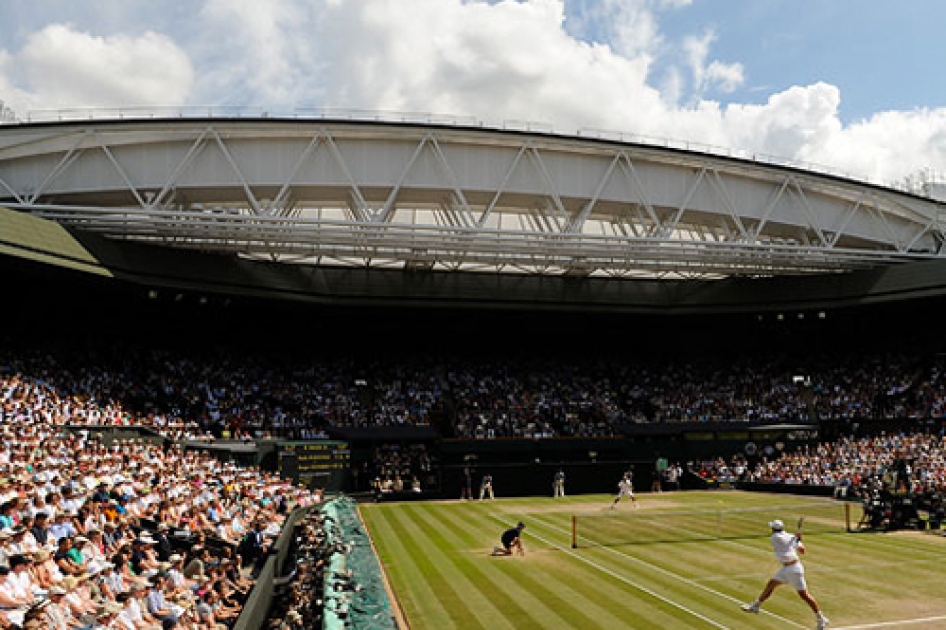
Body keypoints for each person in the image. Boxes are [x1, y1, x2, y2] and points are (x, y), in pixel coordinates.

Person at [741, 519, 829, 630]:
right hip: (786, 569)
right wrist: (797, 540)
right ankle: (756, 606)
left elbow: (802, 551)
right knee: (771, 584)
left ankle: (821, 619)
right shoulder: (788, 537)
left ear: (773, 529)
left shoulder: (776, 537)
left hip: (794, 569)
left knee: (804, 595)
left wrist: (797, 540)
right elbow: (799, 548)